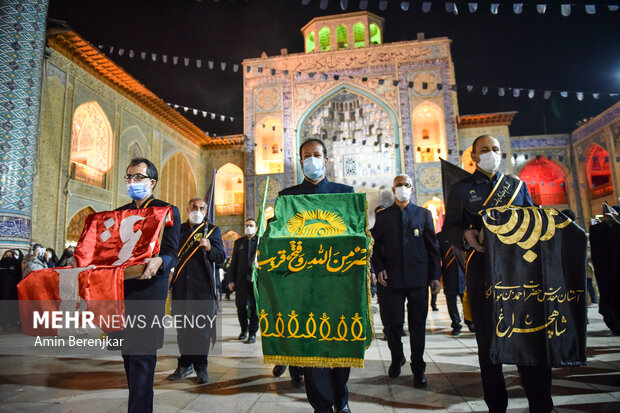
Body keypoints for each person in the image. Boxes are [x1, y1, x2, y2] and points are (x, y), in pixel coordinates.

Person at [443, 135, 553, 413]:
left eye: (495, 149)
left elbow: (532, 222)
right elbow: (450, 229)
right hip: (484, 275)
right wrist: (465, 236)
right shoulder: (460, 189)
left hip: (520, 275)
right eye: (485, 150)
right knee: (489, 344)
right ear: (474, 157)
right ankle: (496, 405)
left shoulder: (517, 186)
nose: (491, 153)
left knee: (528, 337)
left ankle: (539, 403)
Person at [275, 138, 354, 413]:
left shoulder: (345, 193)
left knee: (340, 341)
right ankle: (321, 404)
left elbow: (355, 236)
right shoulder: (288, 197)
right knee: (311, 344)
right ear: (300, 161)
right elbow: (280, 239)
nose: (312, 159)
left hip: (338, 281)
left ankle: (341, 400)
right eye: (306, 155)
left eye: (317, 154)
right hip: (303, 284)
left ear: (326, 159)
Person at [116, 157, 180, 413]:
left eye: (138, 178)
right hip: (122, 290)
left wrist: (160, 261)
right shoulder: (120, 213)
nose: (132, 182)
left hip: (149, 289)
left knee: (142, 356)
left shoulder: (167, 210)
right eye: (129, 177)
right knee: (128, 355)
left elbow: (172, 251)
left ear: (152, 182)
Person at [370, 173, 441, 387]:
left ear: (412, 188)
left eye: (406, 185)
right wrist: (379, 268)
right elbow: (374, 248)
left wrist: (435, 277)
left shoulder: (424, 215)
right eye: (398, 185)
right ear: (393, 191)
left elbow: (433, 249)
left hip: (418, 279)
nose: (402, 188)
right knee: (392, 324)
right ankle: (396, 357)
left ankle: (418, 367)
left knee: (417, 326)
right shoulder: (384, 217)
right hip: (390, 281)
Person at [167, 197, 225, 384]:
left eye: (201, 208)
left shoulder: (213, 231)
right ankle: (184, 365)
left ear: (205, 211)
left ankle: (201, 367)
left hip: (203, 291)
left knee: (201, 332)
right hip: (181, 289)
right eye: (194, 207)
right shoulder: (177, 230)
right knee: (183, 331)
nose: (197, 211)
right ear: (187, 209)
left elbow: (221, 257)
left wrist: (209, 248)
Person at [226, 218, 259, 343]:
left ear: (256, 228)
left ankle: (252, 333)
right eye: (246, 225)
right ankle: (244, 330)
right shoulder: (239, 242)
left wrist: (259, 264)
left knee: (255, 308)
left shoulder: (259, 242)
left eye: (251, 225)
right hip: (240, 281)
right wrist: (231, 280)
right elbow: (233, 262)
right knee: (241, 307)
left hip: (255, 281)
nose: (248, 227)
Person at [436, 230, 472, 336]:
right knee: (451, 303)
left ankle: (470, 321)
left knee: (466, 300)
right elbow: (437, 257)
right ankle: (456, 324)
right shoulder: (440, 236)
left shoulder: (464, 233)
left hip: (463, 272)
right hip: (448, 273)